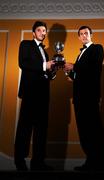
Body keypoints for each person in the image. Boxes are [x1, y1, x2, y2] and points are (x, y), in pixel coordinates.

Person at [64, 26, 104, 172]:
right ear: (78, 37)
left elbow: (94, 69)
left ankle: (100, 163)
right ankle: (90, 161)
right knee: (84, 131)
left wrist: (74, 66)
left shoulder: (97, 49)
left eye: (86, 33)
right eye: (81, 34)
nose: (83, 36)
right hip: (78, 98)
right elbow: (79, 78)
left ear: (91, 35)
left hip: (90, 97)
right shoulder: (80, 54)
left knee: (94, 130)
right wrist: (69, 73)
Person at [14, 21, 56, 171]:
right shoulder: (25, 44)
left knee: (41, 130)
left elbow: (45, 74)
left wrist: (53, 72)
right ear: (33, 33)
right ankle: (19, 161)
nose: (43, 33)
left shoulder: (45, 53)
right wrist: (45, 66)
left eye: (44, 31)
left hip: (43, 96)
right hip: (30, 94)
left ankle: (38, 162)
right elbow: (23, 63)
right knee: (24, 128)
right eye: (40, 30)